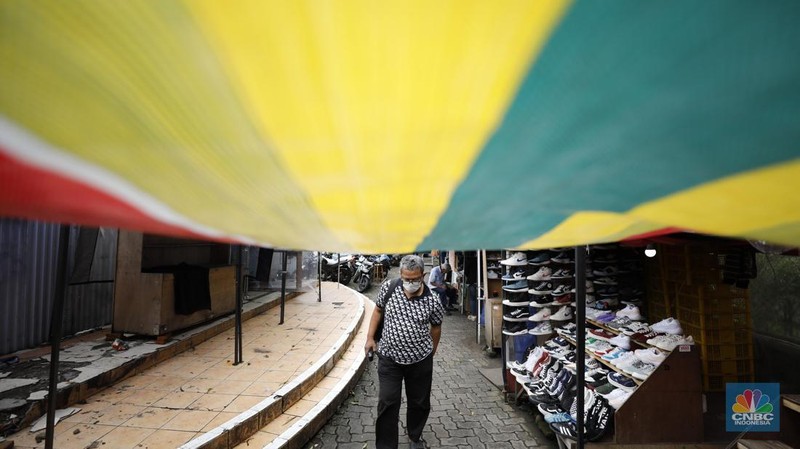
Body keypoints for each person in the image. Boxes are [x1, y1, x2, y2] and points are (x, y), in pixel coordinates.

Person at [365, 254, 445, 449]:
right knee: (387, 401)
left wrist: (432, 350)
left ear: (423, 275)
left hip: (420, 361)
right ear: (400, 274)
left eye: (415, 279)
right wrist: (369, 338)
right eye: (406, 279)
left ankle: (415, 437)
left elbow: (436, 327)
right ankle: (386, 445)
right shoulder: (389, 288)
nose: (410, 283)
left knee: (419, 402)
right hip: (389, 359)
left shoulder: (433, 300)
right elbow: (377, 311)